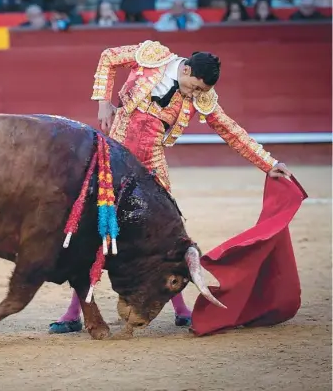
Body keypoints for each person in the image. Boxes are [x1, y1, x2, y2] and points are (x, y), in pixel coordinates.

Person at [48, 40, 292, 334]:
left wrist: (268, 163)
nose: (196, 94)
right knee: (95, 231)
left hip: (152, 168)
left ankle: (181, 309)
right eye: (195, 87)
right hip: (114, 159)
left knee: (165, 240)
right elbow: (109, 56)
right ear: (186, 69)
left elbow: (230, 130)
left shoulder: (201, 97)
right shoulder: (152, 57)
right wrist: (103, 101)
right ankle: (75, 312)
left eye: (202, 91)